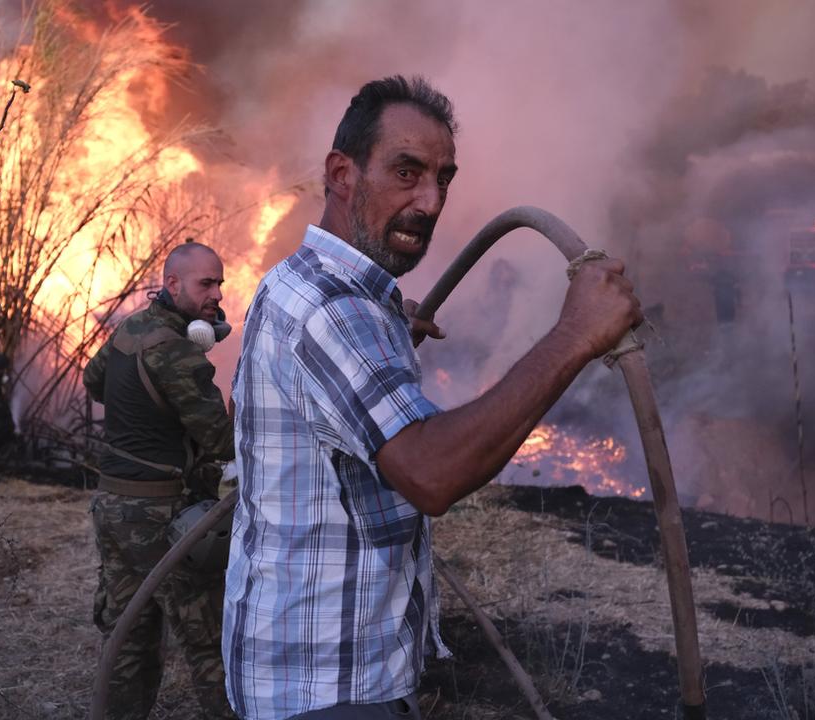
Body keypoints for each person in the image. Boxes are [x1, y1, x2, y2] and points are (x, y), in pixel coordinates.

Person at [224, 76, 642, 720]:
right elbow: (431, 473)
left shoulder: (306, 285)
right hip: (328, 690)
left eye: (443, 177)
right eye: (406, 171)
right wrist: (574, 337)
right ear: (341, 172)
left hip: (315, 670)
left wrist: (388, 332)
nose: (430, 199)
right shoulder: (333, 312)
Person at [83, 241, 236, 720]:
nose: (216, 294)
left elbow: (93, 382)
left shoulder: (131, 328)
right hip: (163, 516)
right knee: (209, 643)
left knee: (129, 638)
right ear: (172, 284)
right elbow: (221, 440)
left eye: (219, 283)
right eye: (205, 284)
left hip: (112, 507)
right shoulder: (178, 353)